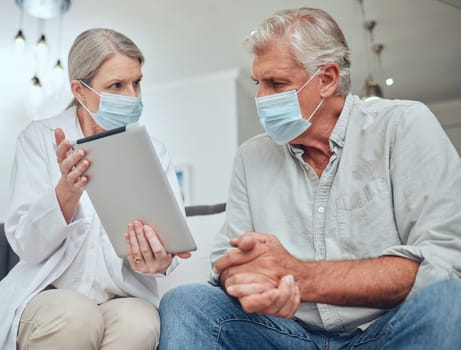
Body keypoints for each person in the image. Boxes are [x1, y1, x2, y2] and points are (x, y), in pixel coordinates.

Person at [158, 7, 461, 349]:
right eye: (259, 83)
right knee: (186, 304)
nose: (261, 99)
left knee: (447, 300)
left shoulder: (403, 126)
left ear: (328, 79)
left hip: (385, 330)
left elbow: (443, 260)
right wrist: (251, 283)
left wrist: (301, 277)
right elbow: (225, 264)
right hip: (287, 335)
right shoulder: (250, 157)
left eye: (277, 84)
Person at [0, 28, 190, 350]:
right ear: (80, 91)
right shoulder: (38, 139)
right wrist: (65, 194)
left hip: (121, 296)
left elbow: (171, 242)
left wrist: (159, 260)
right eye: (116, 85)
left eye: (136, 82)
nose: (132, 96)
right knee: (76, 317)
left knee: (140, 325)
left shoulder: (154, 151)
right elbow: (26, 246)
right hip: (46, 294)